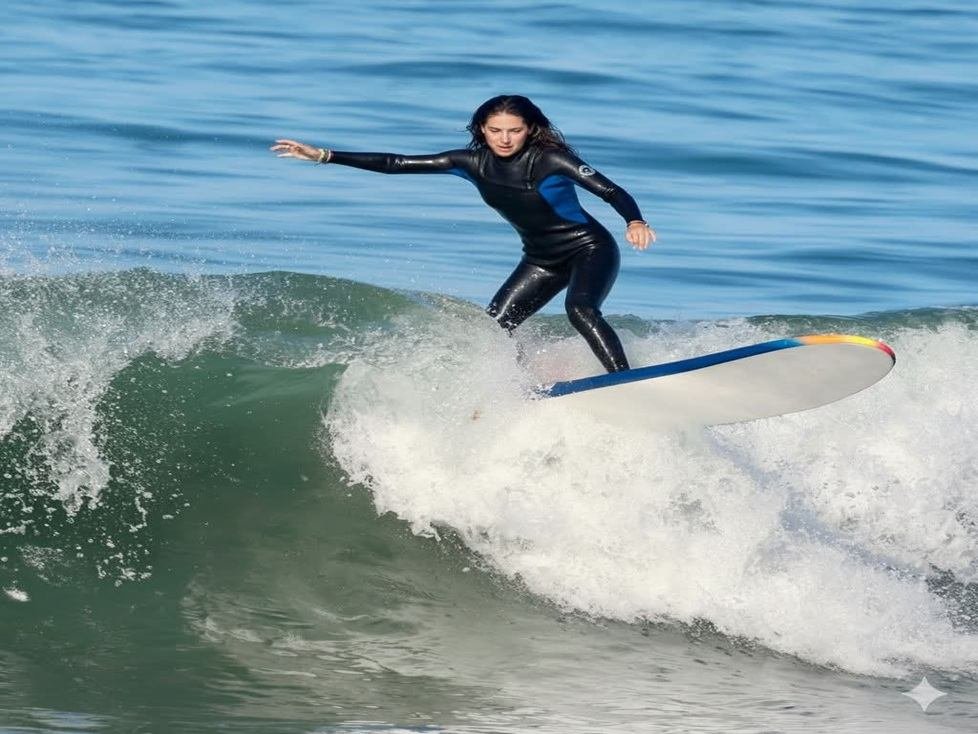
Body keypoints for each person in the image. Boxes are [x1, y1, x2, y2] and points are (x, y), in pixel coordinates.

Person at [271, 94, 655, 373]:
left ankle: (623, 380)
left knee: (580, 309)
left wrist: (634, 221)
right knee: (493, 329)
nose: (505, 139)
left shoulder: (552, 159)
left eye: (514, 130)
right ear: (482, 130)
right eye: (495, 130)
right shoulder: (469, 163)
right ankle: (516, 386)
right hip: (540, 260)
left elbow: (611, 191)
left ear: (529, 130)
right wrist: (325, 155)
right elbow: (396, 163)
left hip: (589, 249)